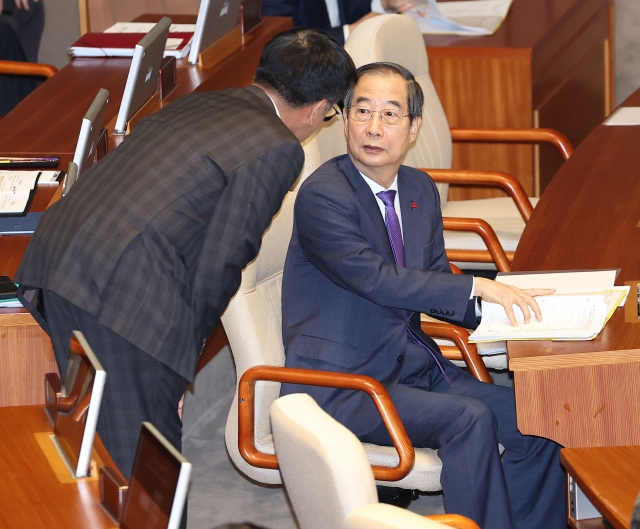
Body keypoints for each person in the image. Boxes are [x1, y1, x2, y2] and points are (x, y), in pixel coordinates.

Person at [15, 28, 356, 478]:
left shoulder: (206, 100)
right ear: (316, 110)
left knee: (97, 435)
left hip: (61, 258)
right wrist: (178, 363)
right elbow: (223, 260)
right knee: (142, 463)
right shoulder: (276, 148)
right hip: (125, 293)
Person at [280, 62, 566, 528]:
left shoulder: (417, 188)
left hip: (413, 367)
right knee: (469, 419)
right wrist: (479, 283)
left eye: (390, 115)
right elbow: (380, 280)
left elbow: (433, 283)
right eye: (362, 111)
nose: (373, 127)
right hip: (345, 385)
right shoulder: (324, 197)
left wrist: (524, 317)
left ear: (413, 128)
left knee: (537, 418)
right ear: (345, 118)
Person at [262, 0, 414, 44]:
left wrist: (384, 4)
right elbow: (285, 40)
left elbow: (348, 8)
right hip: (306, 77)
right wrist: (351, 31)